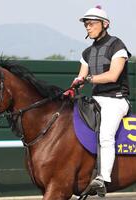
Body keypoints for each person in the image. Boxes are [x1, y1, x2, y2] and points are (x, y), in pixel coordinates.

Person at [71, 5, 131, 197]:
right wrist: (75, 86)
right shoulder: (86, 53)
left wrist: (87, 80)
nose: (88, 27)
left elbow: (113, 76)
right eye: (86, 24)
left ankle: (103, 179)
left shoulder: (117, 46)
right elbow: (81, 77)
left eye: (91, 23)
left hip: (116, 100)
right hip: (96, 99)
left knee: (105, 136)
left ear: (105, 24)